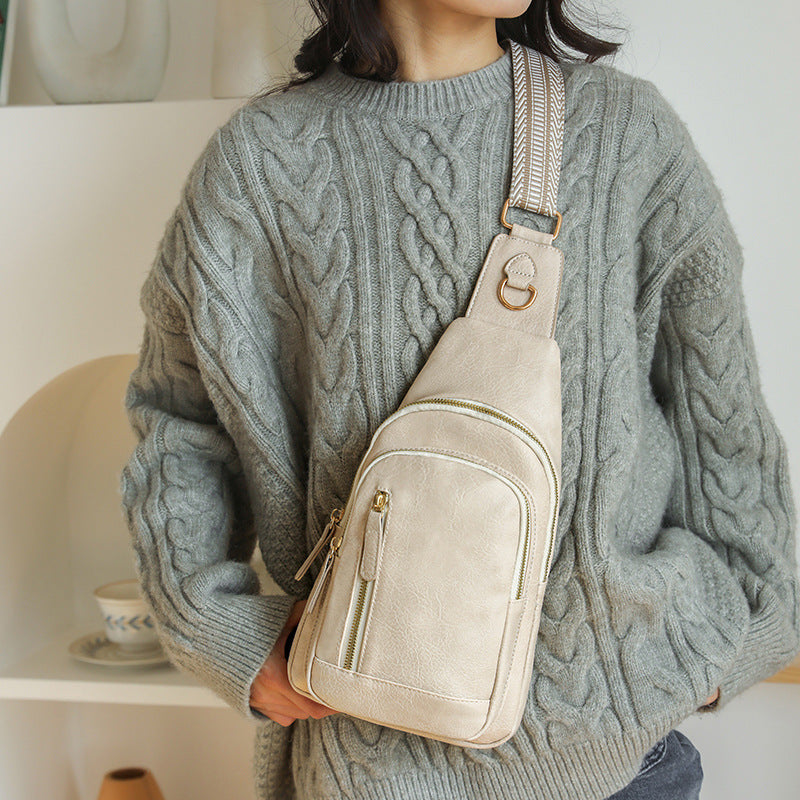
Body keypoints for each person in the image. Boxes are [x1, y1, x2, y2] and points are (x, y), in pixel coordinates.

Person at [118, 1, 800, 799]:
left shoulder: (626, 137)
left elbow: (724, 431)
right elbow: (180, 423)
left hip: (623, 773)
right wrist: (223, 631)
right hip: (370, 769)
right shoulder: (259, 170)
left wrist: (736, 635)